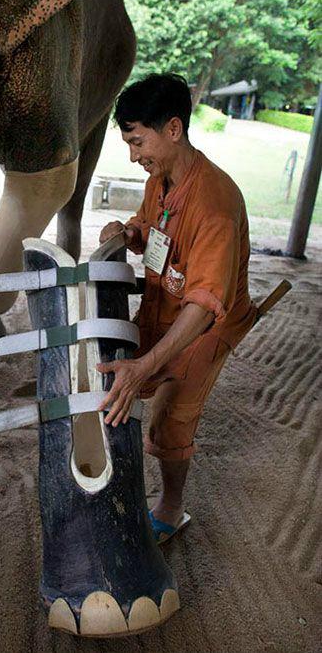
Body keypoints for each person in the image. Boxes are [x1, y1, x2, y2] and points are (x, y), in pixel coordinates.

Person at [97, 73, 256, 544]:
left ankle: (171, 506)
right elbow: (151, 229)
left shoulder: (216, 204)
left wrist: (149, 363)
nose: (133, 155)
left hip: (208, 322)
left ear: (172, 129)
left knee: (169, 414)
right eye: (127, 143)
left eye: (137, 141)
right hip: (166, 303)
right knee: (118, 373)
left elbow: (205, 307)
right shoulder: (160, 179)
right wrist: (127, 234)